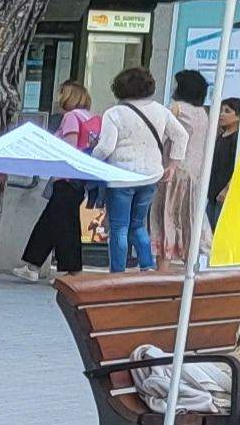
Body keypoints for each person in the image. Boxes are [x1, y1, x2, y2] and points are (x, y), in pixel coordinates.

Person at [90, 69, 176, 270]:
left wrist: (91, 161)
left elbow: (105, 148)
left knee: (119, 228)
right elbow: (181, 136)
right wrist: (172, 165)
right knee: (138, 225)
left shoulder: (114, 113)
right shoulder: (161, 111)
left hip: (120, 178)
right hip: (150, 177)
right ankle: (147, 266)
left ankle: (118, 272)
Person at [15, 82, 97, 281]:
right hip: (79, 179)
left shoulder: (70, 117)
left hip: (65, 178)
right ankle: (33, 265)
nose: (57, 98)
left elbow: (68, 147)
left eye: (61, 93)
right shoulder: (89, 117)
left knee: (64, 226)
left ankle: (72, 271)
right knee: (50, 223)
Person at [159, 70, 219, 262]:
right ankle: (191, 261)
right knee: (191, 217)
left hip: (173, 168)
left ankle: (164, 265)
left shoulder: (176, 108)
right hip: (196, 172)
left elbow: (162, 136)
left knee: (167, 217)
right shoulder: (204, 113)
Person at [207, 96, 240, 224]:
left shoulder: (237, 139)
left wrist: (227, 189)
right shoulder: (220, 136)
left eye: (227, 111)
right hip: (212, 191)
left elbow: (238, 167)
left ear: (238, 116)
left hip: (224, 194)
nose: (222, 115)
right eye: (221, 111)